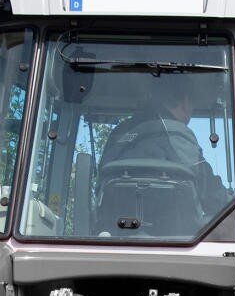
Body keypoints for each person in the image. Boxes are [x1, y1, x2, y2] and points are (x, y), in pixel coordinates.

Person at [98, 84, 228, 220]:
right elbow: (210, 192)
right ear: (185, 102)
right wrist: (231, 201)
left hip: (116, 231)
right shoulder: (176, 134)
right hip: (176, 234)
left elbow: (100, 187)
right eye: (192, 105)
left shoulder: (119, 133)